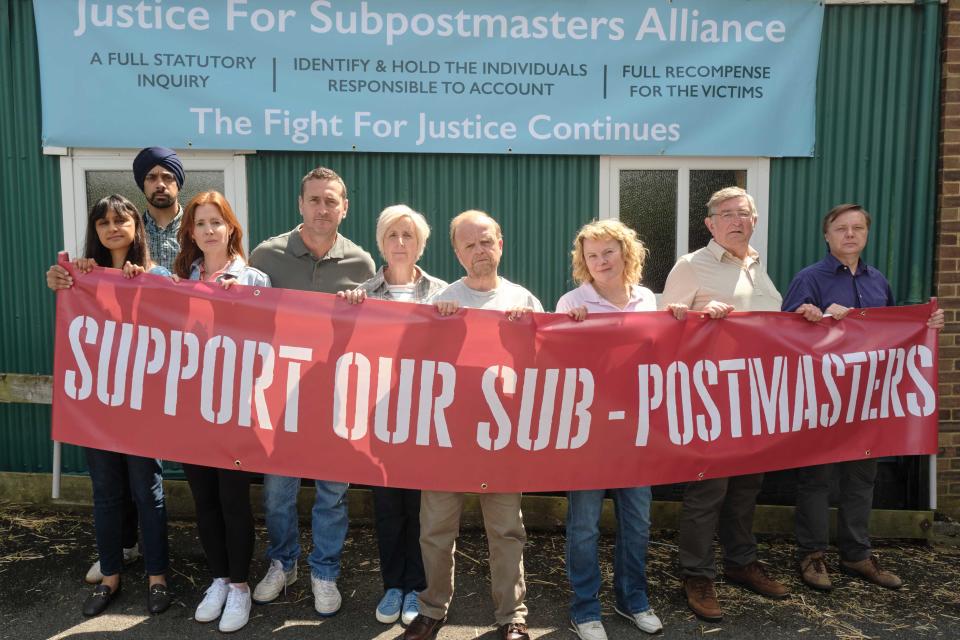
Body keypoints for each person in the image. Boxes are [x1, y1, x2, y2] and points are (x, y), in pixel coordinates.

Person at [781, 203, 945, 591]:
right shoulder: (809, 278)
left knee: (861, 478)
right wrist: (815, 317)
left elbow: (891, 334)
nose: (850, 234)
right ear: (827, 235)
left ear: (867, 234)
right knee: (816, 478)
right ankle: (813, 555)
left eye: (857, 228)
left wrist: (925, 324)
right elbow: (783, 334)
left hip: (867, 399)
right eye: (841, 228)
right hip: (822, 398)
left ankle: (857, 555)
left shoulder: (878, 281)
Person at [404, 210, 541, 640]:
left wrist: (530, 333)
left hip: (501, 437)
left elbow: (547, 366)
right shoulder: (441, 300)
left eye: (486, 241)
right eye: (470, 244)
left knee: (506, 529)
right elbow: (414, 361)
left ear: (500, 243)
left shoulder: (524, 300)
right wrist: (435, 322)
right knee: (436, 529)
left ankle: (512, 617)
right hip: (447, 435)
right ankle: (431, 610)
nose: (479, 251)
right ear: (457, 252)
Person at [248, 167, 375, 615]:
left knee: (332, 493)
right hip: (280, 396)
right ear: (300, 204)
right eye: (315, 199)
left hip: (336, 399)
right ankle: (284, 562)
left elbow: (373, 335)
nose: (323, 208)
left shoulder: (362, 263)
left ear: (345, 207)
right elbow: (241, 316)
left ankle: (325, 571)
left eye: (332, 200)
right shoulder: (266, 255)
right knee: (278, 493)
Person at [660, 187, 790, 622]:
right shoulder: (691, 266)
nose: (737, 220)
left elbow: (771, 326)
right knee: (708, 490)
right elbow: (664, 327)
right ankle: (696, 574)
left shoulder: (756, 265)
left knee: (747, 488)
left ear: (755, 221)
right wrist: (695, 317)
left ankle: (740, 562)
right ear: (710, 224)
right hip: (710, 400)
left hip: (754, 399)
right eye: (727, 214)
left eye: (745, 214)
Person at [45, 194, 171, 617]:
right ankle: (111, 577)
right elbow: (70, 307)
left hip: (141, 405)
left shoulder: (157, 275)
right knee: (106, 494)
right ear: (95, 230)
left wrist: (146, 282)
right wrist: (61, 279)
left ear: (137, 227)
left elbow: (176, 319)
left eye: (122, 220)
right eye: (104, 222)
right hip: (97, 407)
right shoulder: (84, 275)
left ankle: (157, 578)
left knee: (147, 491)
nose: (113, 228)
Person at [556, 220, 671, 639]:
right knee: (584, 524)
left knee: (637, 521)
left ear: (626, 253)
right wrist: (570, 326)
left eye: (608, 252)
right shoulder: (572, 301)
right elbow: (555, 365)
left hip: (636, 431)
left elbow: (662, 354)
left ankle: (632, 600)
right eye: (592, 255)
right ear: (583, 262)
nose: (601, 261)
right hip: (589, 432)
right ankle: (585, 609)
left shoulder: (647, 298)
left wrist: (683, 321)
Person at [337, 205, 447, 626]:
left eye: (409, 236)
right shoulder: (362, 293)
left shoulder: (443, 293)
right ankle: (393, 586)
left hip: (426, 418)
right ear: (380, 243)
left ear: (420, 244)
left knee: (420, 508)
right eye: (392, 235)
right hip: (380, 420)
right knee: (387, 507)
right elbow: (342, 347)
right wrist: (347, 310)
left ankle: (417, 588)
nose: (400, 243)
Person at [173, 191, 270, 633]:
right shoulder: (178, 276)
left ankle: (240, 586)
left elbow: (269, 344)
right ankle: (216, 578)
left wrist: (244, 302)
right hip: (190, 411)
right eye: (201, 223)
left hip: (234, 411)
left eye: (217, 222)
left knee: (233, 501)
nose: (209, 230)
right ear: (191, 232)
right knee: (205, 500)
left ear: (231, 227)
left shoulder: (254, 278)